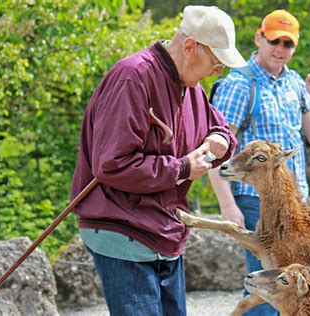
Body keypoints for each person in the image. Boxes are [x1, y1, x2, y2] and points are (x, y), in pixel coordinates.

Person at [70, 5, 245, 315]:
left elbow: (221, 130)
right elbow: (112, 164)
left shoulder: (190, 87)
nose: (219, 71)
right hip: (122, 227)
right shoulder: (132, 77)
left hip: (166, 232)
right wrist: (183, 168)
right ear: (190, 46)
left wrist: (219, 138)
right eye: (216, 62)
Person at [209, 9, 310, 315]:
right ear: (259, 38)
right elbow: (215, 150)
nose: (280, 48)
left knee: (286, 285)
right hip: (256, 203)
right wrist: (228, 206)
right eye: (274, 40)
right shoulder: (239, 84)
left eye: (287, 43)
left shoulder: (295, 84)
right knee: (267, 284)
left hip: (294, 206)